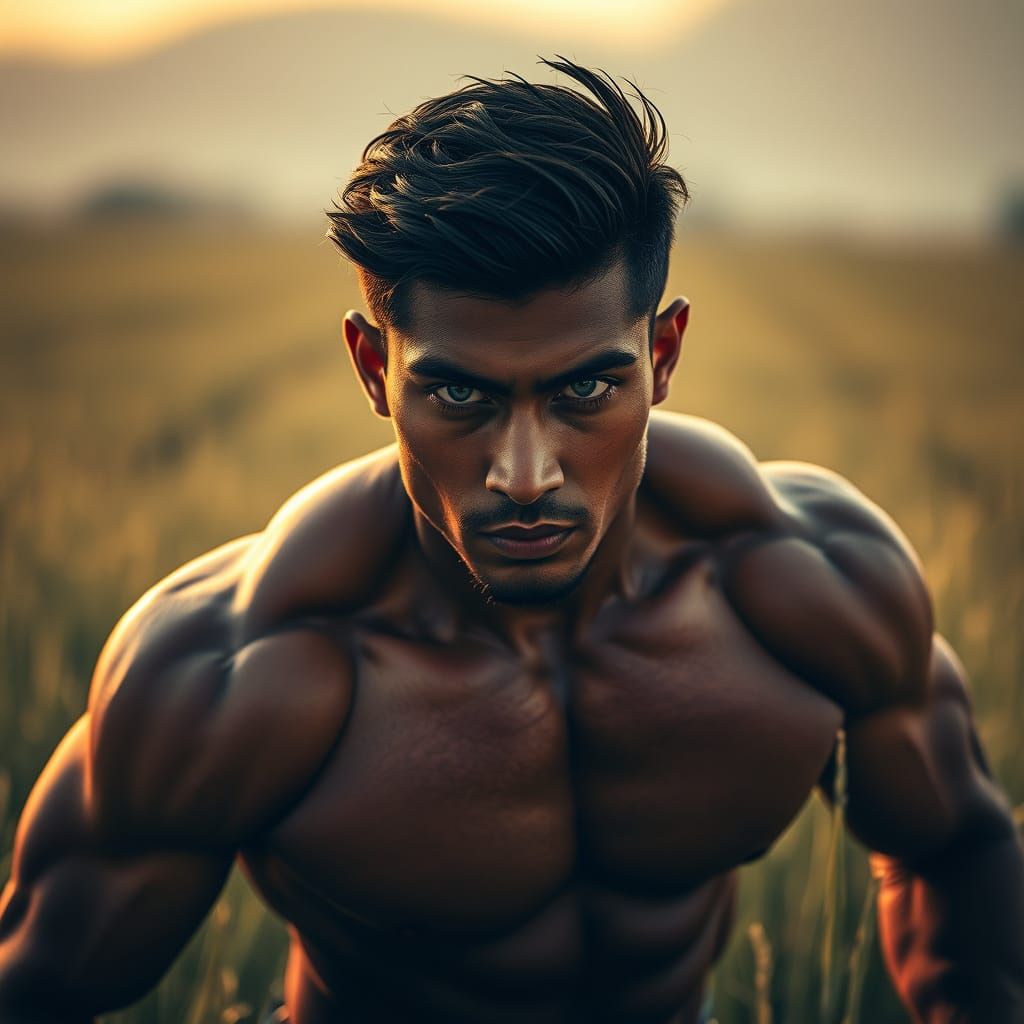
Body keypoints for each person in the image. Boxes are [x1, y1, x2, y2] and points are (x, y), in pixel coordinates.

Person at [0, 54, 1021, 1024]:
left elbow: (959, 854)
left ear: (660, 354)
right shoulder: (234, 667)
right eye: (456, 392)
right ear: (371, 369)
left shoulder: (811, 584)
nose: (524, 476)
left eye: (586, 388)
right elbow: (36, 987)